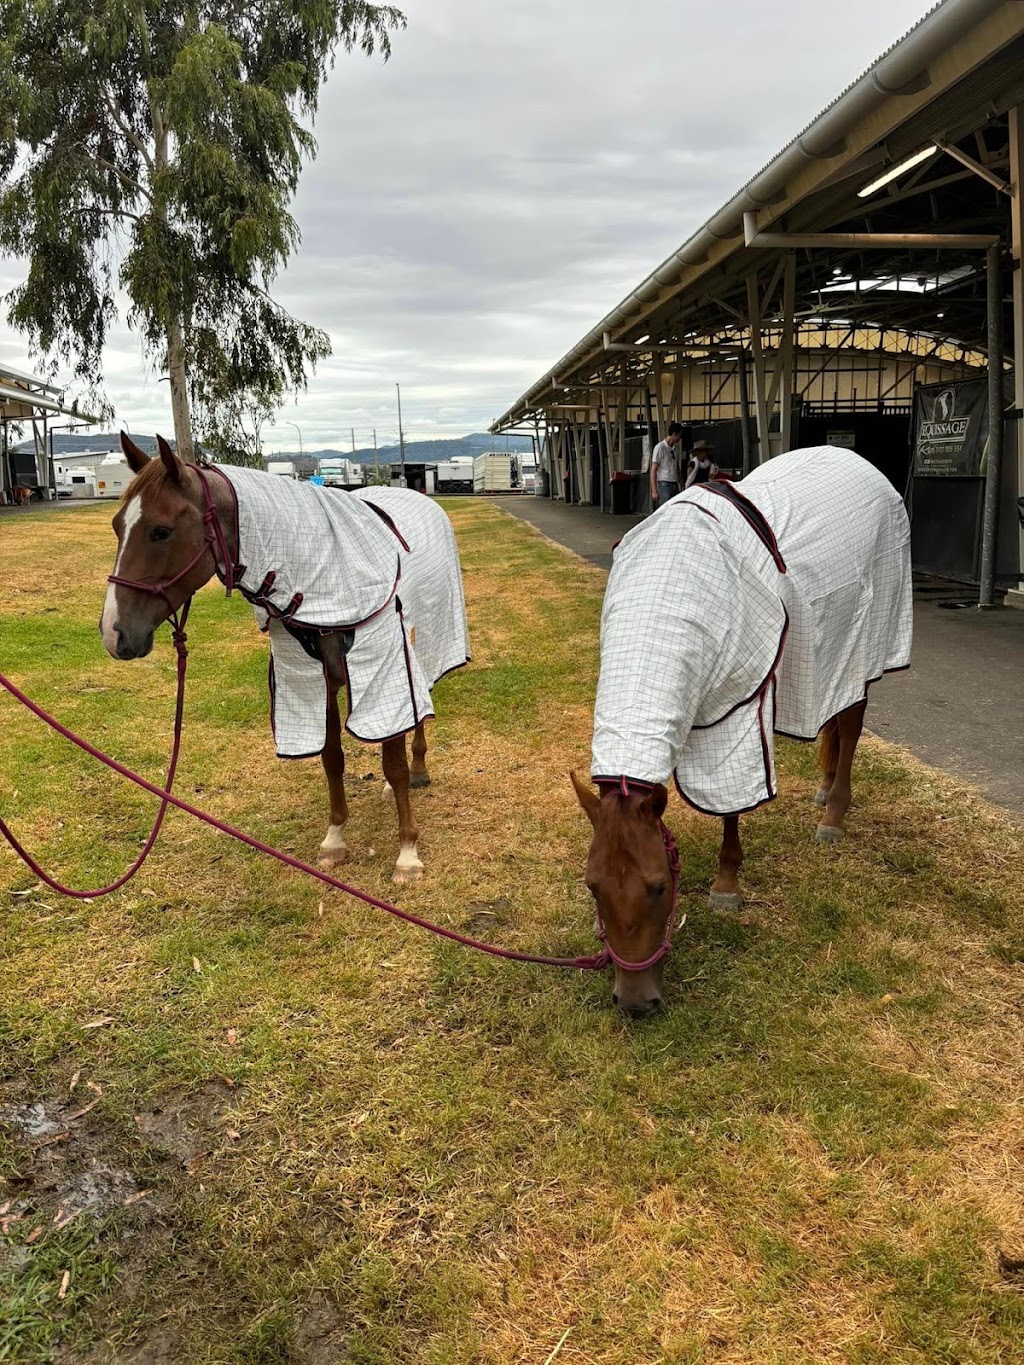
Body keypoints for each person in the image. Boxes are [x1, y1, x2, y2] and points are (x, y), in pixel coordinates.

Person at [649, 422, 685, 508]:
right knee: (665, 509)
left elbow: (676, 466)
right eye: (679, 436)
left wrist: (681, 481)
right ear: (674, 434)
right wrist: (654, 490)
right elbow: (653, 469)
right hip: (664, 483)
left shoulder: (674, 449)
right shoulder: (660, 448)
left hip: (674, 482)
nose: (679, 439)